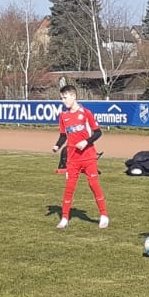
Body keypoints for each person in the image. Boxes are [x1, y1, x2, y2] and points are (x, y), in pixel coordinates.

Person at [52, 84, 108, 229]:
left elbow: (98, 133)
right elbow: (63, 135)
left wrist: (86, 142)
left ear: (74, 96)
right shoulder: (63, 116)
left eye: (65, 97)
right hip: (72, 159)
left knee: (93, 185)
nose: (63, 101)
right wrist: (57, 146)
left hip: (88, 157)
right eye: (61, 98)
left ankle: (103, 215)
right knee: (69, 187)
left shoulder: (86, 113)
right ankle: (64, 218)